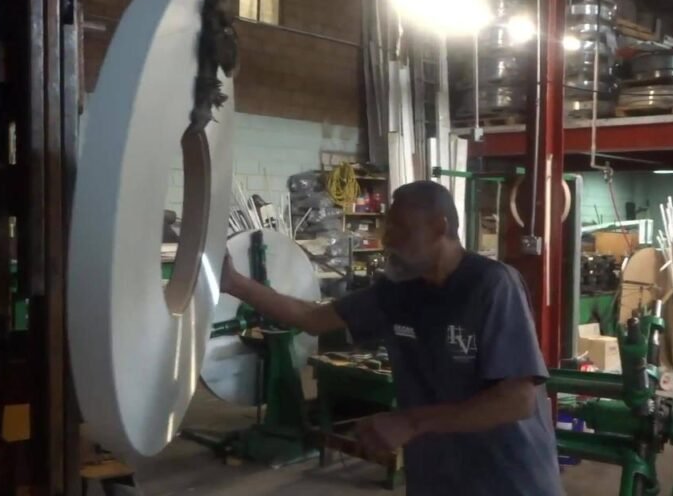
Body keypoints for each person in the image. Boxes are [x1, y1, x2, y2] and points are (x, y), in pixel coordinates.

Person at [220, 180, 563, 496]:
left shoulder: (492, 285)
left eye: (401, 229)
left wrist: (411, 421)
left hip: (507, 478)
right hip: (437, 478)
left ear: (439, 227)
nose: (387, 240)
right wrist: (234, 283)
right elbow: (311, 318)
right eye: (388, 228)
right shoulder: (397, 291)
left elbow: (518, 400)